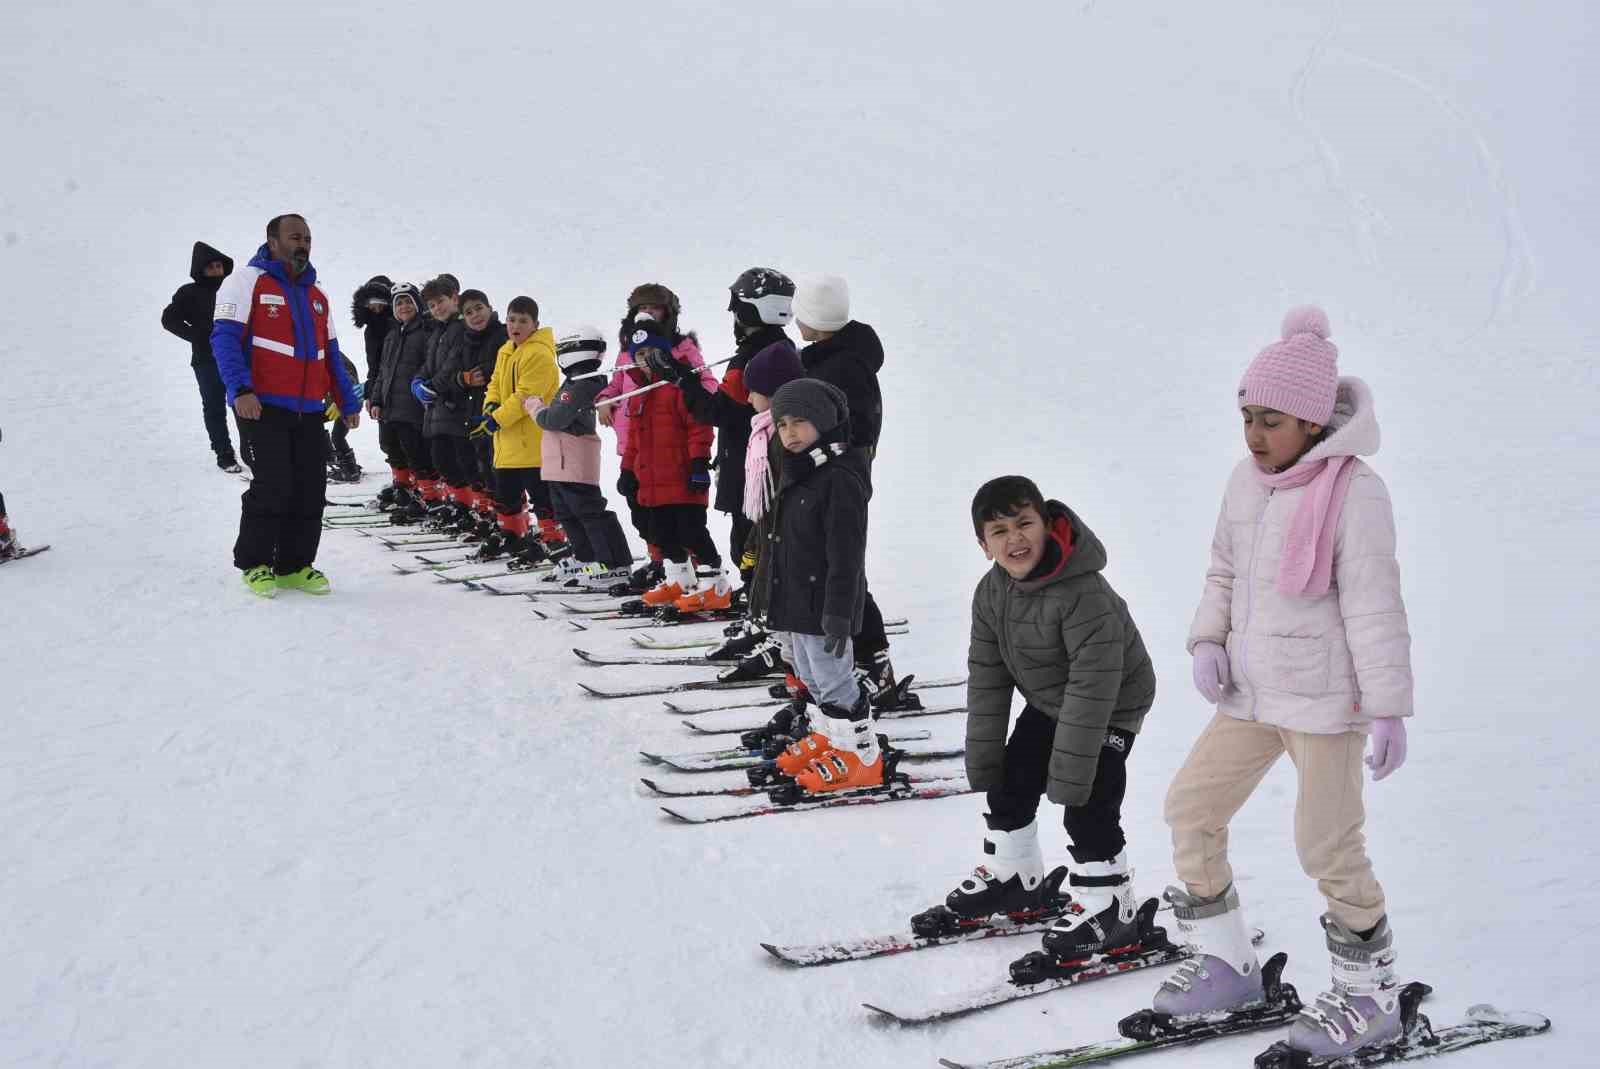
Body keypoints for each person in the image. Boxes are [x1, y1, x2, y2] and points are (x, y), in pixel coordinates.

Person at [1152, 307, 1413, 1062]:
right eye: (1246, 417)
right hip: (1254, 692)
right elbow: (1224, 570)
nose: (1255, 435)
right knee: (1191, 807)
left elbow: (1373, 603)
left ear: (1310, 419)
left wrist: (1388, 706)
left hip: (1327, 703)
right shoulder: (1246, 482)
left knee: (1328, 844)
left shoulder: (1354, 490)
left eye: (1271, 420)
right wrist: (1207, 639)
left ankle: (1372, 997)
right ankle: (1231, 967)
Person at [956, 475, 1156, 958]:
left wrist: (1069, 777)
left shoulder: (1083, 594)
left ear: (1046, 526)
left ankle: (1111, 909)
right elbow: (988, 677)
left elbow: (1094, 687)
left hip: (1112, 702)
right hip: (1051, 700)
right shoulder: (992, 593)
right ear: (984, 545)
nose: (1015, 539)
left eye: (1024, 524)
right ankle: (1014, 876)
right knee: (1010, 783)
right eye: (999, 531)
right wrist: (984, 759)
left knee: (1088, 803)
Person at [210, 214, 360, 596]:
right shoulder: (245, 281)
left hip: (309, 410)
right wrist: (240, 390)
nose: (304, 243)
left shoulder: (317, 295)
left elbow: (331, 354)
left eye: (308, 237)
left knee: (311, 487)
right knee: (273, 484)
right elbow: (224, 339)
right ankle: (256, 562)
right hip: (262, 407)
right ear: (272, 241)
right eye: (295, 236)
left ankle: (295, 565)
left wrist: (345, 399)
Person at [648, 268, 796, 603]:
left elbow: (720, 411)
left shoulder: (752, 357)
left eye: (736, 306)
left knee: (749, 542)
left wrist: (682, 378)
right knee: (755, 541)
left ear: (750, 309)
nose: (732, 314)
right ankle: (759, 599)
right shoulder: (779, 347)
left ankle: (763, 608)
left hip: (752, 466)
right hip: (760, 463)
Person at [758, 379, 875, 793]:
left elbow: (847, 555)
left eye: (800, 422)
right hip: (796, 602)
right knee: (809, 674)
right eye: (783, 424)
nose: (790, 433)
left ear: (824, 423)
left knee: (834, 679)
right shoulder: (799, 470)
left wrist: (839, 612)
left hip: (825, 604)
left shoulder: (840, 476)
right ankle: (829, 738)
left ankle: (862, 757)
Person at [792, 274, 896, 694]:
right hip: (833, 476)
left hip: (839, 481)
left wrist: (821, 458)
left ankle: (873, 662)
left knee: (842, 566)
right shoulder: (834, 358)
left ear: (815, 320)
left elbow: (858, 429)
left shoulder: (841, 368)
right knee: (833, 565)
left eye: (801, 315)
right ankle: (859, 659)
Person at [595, 283, 720, 593]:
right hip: (640, 453)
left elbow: (703, 395)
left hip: (676, 455)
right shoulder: (629, 354)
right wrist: (606, 399)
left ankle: (706, 578)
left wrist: (698, 462)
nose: (648, 312)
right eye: (642, 308)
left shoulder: (681, 354)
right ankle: (668, 569)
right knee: (652, 522)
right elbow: (617, 384)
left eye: (654, 307)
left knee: (687, 526)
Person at [525, 326, 634, 588]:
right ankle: (587, 556)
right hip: (560, 462)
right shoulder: (576, 381)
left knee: (589, 512)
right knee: (568, 514)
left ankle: (613, 562)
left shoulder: (583, 383)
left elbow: (553, 419)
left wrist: (534, 405)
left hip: (572, 459)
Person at [474, 296, 559, 564]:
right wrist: (490, 405)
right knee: (506, 492)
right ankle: (513, 534)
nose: (515, 325)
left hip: (532, 441)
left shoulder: (540, 354)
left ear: (535, 324)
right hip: (508, 441)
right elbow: (496, 383)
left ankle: (553, 539)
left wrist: (496, 419)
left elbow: (525, 396)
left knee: (541, 494)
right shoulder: (506, 350)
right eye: (512, 319)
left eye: (523, 321)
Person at [162, 241, 242, 472]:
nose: (217, 271)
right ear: (200, 269)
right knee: (214, 406)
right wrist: (197, 336)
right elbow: (169, 319)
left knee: (243, 403)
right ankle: (224, 453)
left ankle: (251, 448)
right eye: (211, 267)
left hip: (236, 358)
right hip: (206, 361)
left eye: (219, 266)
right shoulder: (189, 292)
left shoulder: (234, 289)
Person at [410, 276, 476, 529]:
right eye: (433, 305)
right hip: (437, 410)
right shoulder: (437, 331)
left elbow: (453, 363)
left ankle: (470, 508)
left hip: (456, 406)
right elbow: (428, 364)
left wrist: (432, 386)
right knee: (441, 459)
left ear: (454, 299)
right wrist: (417, 381)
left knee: (461, 461)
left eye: (441, 302)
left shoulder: (460, 328)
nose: (437, 308)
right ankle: (459, 503)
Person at [369, 283, 431, 518]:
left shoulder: (425, 333)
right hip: (389, 406)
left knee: (414, 451)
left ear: (417, 304)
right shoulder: (393, 335)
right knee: (390, 446)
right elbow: (383, 371)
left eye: (408, 301)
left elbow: (429, 366)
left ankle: (425, 495)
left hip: (412, 406)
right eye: (398, 303)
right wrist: (376, 399)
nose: (403, 307)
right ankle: (402, 488)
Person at [457, 289, 508, 540]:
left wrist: (483, 372)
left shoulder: (502, 334)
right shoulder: (467, 339)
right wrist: (463, 379)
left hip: (498, 412)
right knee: (480, 466)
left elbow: (505, 368)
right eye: (468, 312)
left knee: (498, 469)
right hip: (474, 409)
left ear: (489, 307)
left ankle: (511, 525)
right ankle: (490, 519)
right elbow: (460, 370)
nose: (475, 315)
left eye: (479, 308)